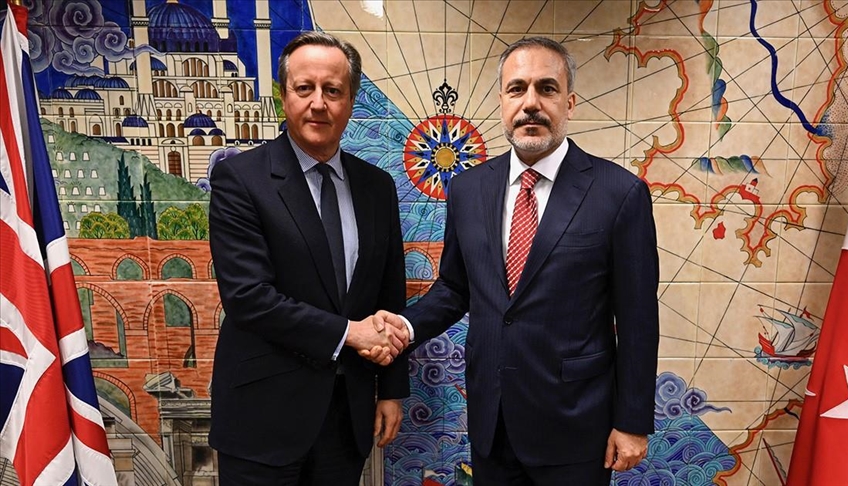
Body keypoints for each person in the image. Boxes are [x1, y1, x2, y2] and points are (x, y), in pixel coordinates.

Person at [367, 36, 660, 485]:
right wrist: (405, 327)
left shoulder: (619, 193)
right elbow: (455, 288)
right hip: (493, 422)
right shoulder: (468, 190)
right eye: (517, 88)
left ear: (569, 102)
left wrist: (633, 422)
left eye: (547, 88)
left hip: (577, 426)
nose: (531, 103)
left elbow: (638, 318)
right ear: (502, 101)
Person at [208, 31, 410, 486]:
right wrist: (350, 333)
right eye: (305, 88)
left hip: (346, 418)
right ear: (284, 97)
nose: (319, 103)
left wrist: (392, 390)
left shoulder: (377, 187)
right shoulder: (240, 179)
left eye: (333, 90)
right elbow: (248, 297)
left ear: (350, 102)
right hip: (262, 419)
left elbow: (389, 296)